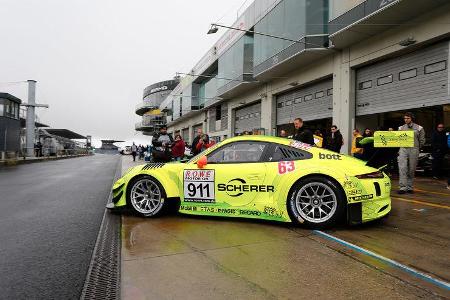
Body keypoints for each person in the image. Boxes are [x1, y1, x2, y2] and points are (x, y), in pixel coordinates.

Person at [397, 112, 425, 194]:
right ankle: (402, 187)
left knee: (412, 169)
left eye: (407, 118)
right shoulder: (401, 128)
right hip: (403, 149)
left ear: (411, 118)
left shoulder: (419, 128)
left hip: (414, 149)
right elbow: (397, 139)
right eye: (405, 118)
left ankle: (409, 187)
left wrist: (417, 147)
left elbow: (422, 140)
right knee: (402, 168)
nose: (406, 120)